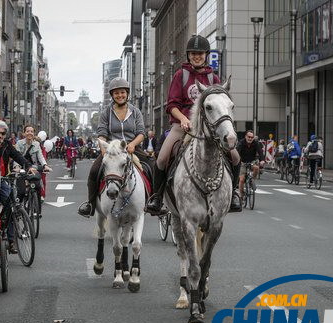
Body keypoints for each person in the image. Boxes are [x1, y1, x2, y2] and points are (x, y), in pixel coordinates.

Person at [145, 34, 241, 215]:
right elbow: (171, 105)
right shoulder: (181, 75)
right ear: (188, 55)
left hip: (209, 128)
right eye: (193, 53)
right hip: (182, 126)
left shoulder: (213, 78)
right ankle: (156, 197)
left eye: (200, 53)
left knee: (235, 156)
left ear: (206, 55)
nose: (197, 56)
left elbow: (220, 103)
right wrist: (182, 118)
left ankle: (234, 193)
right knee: (162, 158)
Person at [77, 77, 148, 218]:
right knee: (94, 171)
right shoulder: (106, 113)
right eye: (116, 93)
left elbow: (141, 133)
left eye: (122, 92)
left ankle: (153, 200)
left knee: (152, 167)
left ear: (127, 93)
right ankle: (90, 204)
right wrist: (104, 150)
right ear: (112, 95)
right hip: (111, 150)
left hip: (132, 147)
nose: (120, 95)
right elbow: (102, 134)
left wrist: (133, 144)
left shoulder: (136, 112)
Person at [0, 120, 36, 253]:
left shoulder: (7, 144)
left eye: (3, 133)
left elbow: (17, 156)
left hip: (1, 178)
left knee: (10, 201)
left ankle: (11, 241)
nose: (0, 136)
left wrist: (28, 166)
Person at [237, 130, 264, 199]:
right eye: (249, 137)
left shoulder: (255, 143)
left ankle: (252, 181)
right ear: (245, 136)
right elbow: (237, 152)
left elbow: (260, 151)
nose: (250, 138)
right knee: (242, 179)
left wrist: (262, 160)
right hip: (243, 162)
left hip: (252, 161)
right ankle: (241, 194)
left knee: (256, 168)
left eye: (252, 137)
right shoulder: (241, 143)